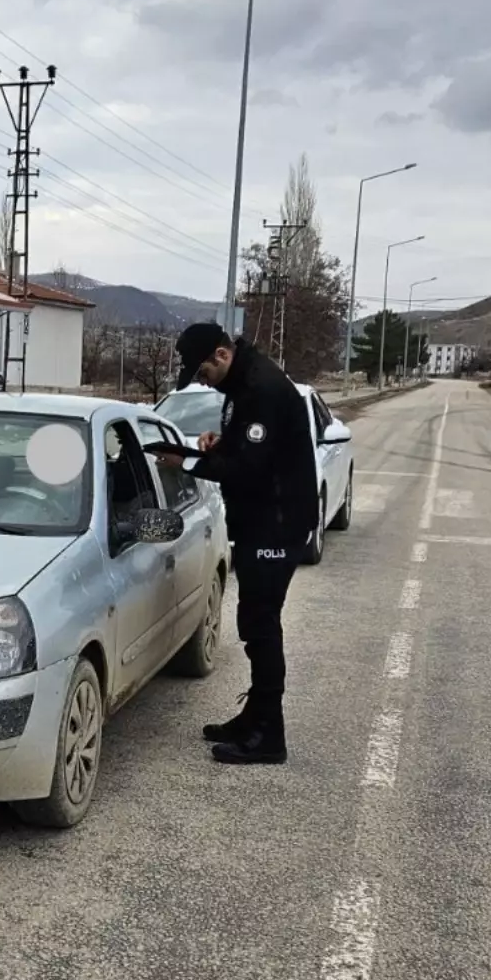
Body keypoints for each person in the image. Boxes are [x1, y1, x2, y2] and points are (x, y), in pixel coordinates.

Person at [157, 323, 319, 765]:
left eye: (204, 372)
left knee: (260, 624)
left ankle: (269, 735)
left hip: (277, 523)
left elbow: (250, 469)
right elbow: (249, 449)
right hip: (261, 520)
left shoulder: (262, 387)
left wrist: (188, 460)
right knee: (255, 623)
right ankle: (255, 717)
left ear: (222, 355)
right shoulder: (244, 384)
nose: (202, 380)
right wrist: (217, 445)